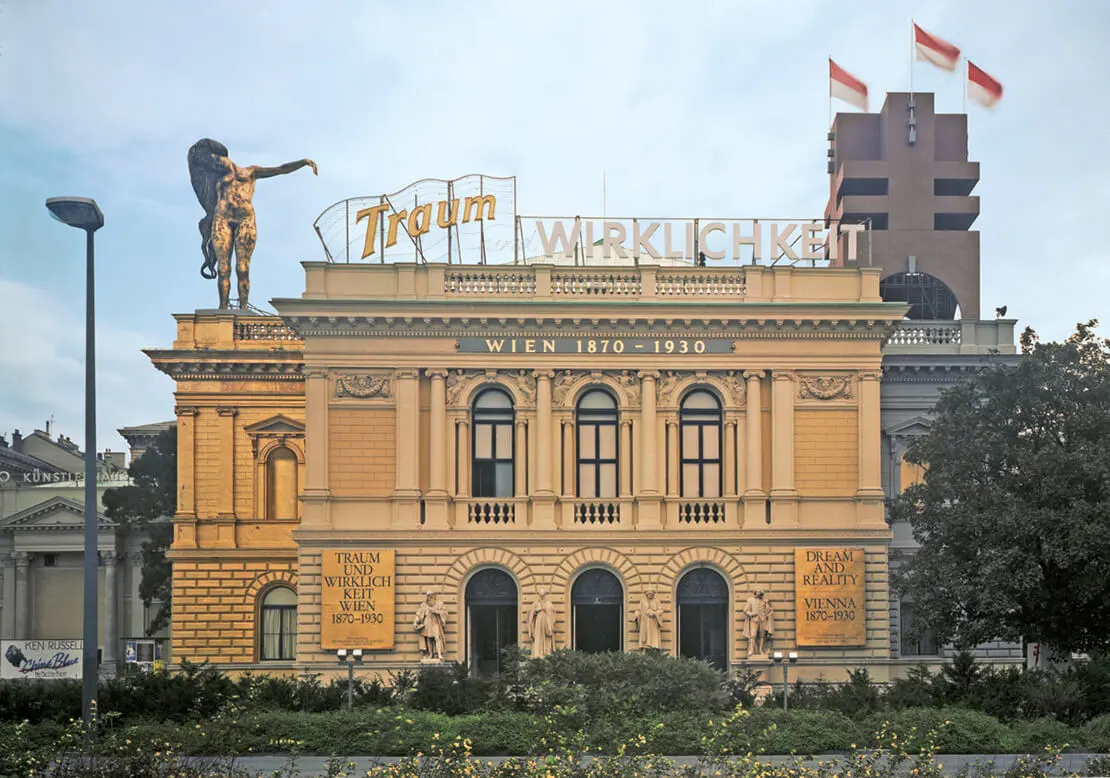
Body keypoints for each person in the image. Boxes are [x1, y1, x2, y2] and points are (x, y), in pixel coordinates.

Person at [187, 139, 317, 310]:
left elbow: (281, 169)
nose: (215, 163)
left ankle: (243, 308)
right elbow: (196, 160)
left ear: (223, 157)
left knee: (242, 268)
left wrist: (303, 162)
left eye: (217, 160)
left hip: (245, 218)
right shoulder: (217, 178)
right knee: (223, 268)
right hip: (222, 218)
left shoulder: (251, 172)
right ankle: (223, 308)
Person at [413, 591, 446, 661]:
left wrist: (436, 611)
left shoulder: (439, 604)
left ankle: (439, 654)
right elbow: (419, 614)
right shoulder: (424, 605)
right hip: (427, 622)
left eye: (430, 596)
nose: (429, 597)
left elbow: (444, 613)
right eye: (428, 596)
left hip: (435, 622)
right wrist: (416, 622)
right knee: (428, 638)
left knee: (437, 637)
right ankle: (430, 654)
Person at [744, 589, 775, 657]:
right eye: (757, 592)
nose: (759, 593)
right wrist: (751, 614)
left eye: (760, 592)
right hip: (754, 620)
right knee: (753, 635)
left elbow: (768, 610)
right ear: (755, 592)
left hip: (763, 620)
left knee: (762, 635)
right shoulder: (750, 600)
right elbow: (746, 610)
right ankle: (751, 650)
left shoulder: (764, 601)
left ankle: (760, 650)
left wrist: (767, 603)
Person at [527, 589, 556, 658]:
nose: (542, 597)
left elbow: (553, 613)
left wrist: (551, 623)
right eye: (540, 595)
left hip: (547, 622)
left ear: (545, 595)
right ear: (539, 595)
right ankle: (538, 654)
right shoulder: (535, 603)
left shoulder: (549, 603)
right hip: (538, 622)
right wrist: (530, 627)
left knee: (547, 637)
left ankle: (547, 653)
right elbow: (531, 615)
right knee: (538, 637)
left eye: (543, 595)